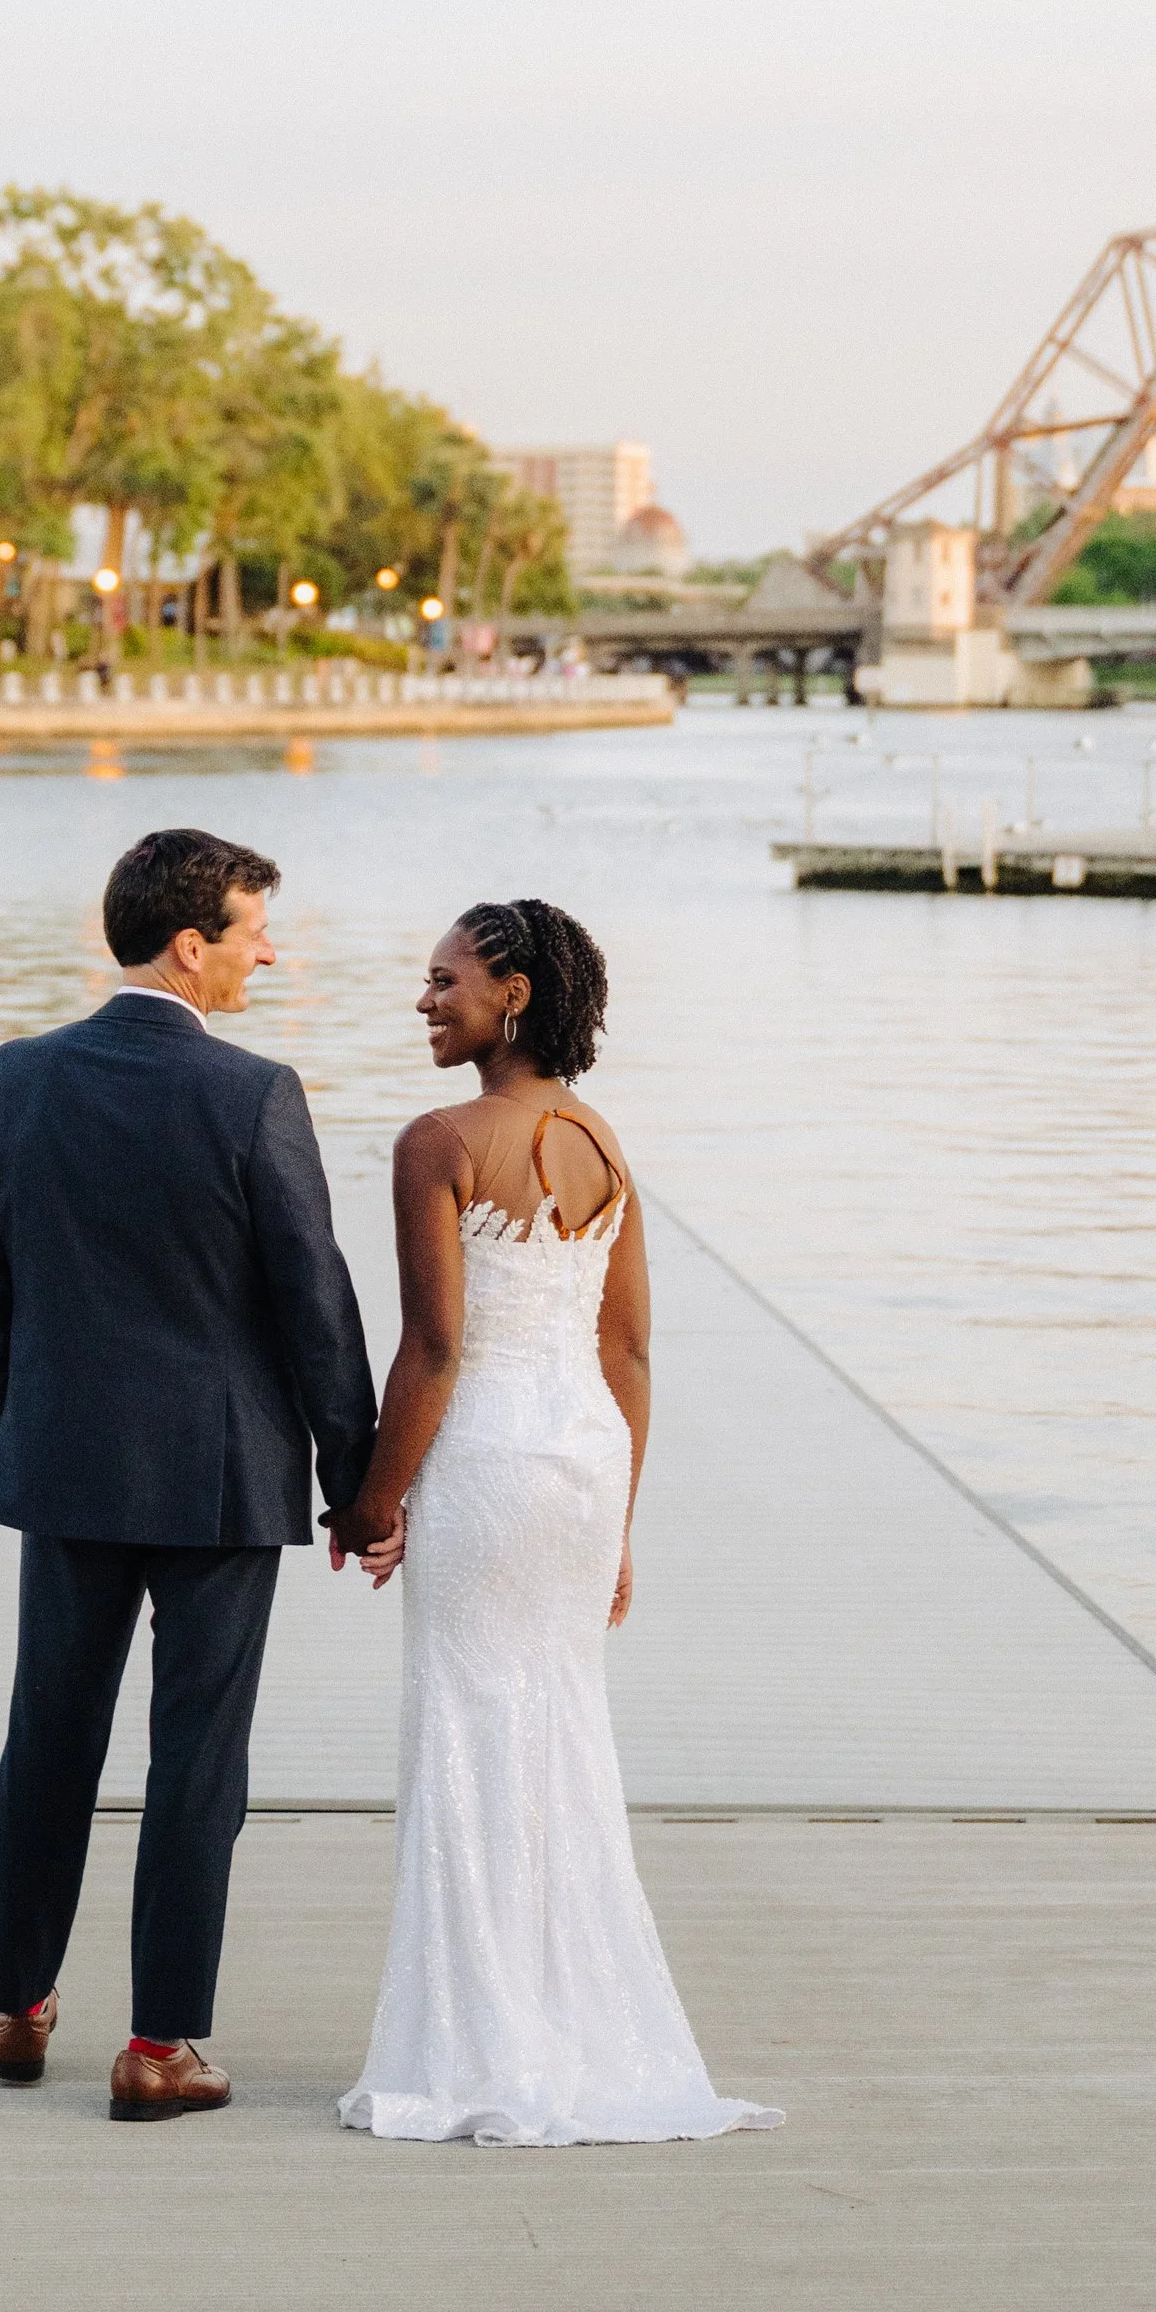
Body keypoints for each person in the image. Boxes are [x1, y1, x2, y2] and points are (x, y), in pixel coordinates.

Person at [0, 825, 377, 2120]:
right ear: (193, 946)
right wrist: (355, 1484)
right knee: (198, 1760)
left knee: (49, 1738)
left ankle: (14, 2004)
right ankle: (160, 2046)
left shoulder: (19, 1078)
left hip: (69, 1464)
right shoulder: (253, 1095)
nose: (267, 954)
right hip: (222, 1477)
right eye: (253, 932)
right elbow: (317, 1310)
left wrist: (24, 1421)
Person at [333, 897, 780, 2149]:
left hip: (480, 1461)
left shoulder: (438, 1140)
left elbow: (433, 1350)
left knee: (467, 1729)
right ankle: (567, 2025)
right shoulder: (602, 1140)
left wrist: (372, 1502)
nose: (424, 1001)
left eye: (442, 981)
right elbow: (627, 1347)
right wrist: (620, 1521)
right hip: (582, 1459)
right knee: (560, 1733)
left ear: (514, 992)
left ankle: (477, 2040)